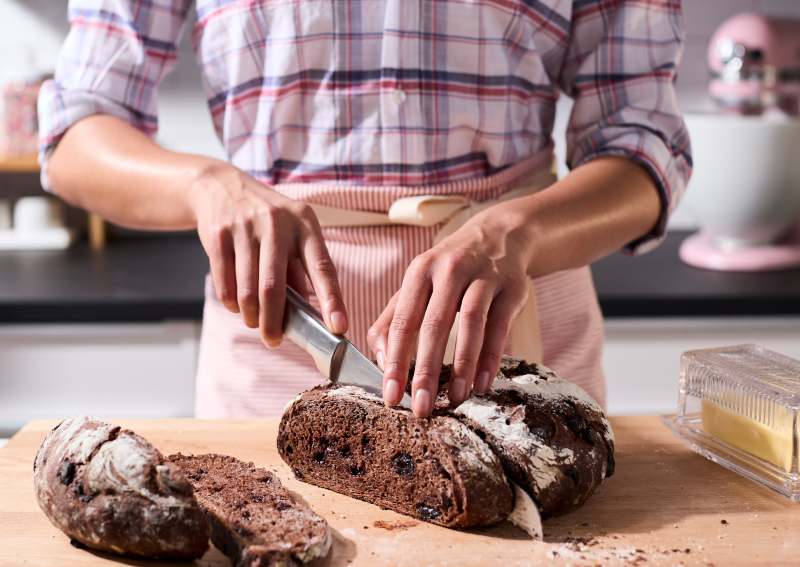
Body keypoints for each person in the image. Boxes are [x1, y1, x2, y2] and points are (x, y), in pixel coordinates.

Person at [39, 0, 691, 419]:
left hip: (512, 334)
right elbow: (75, 135)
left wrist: (517, 232)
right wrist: (207, 184)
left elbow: (643, 146)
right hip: (282, 332)